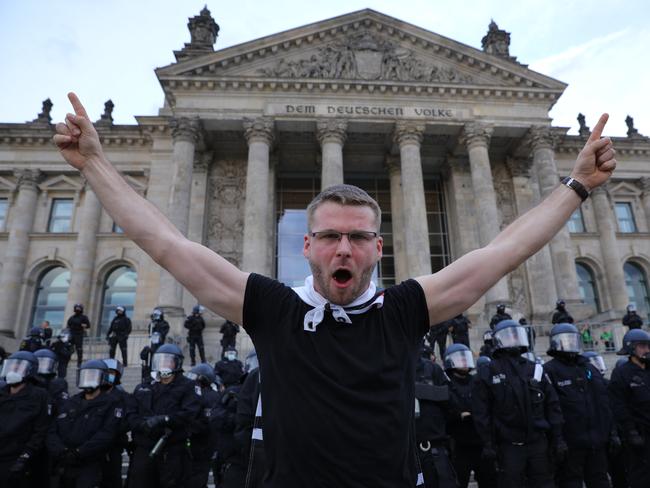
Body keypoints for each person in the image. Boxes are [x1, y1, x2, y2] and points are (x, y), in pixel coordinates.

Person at [53, 94, 616, 488]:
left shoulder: (404, 311)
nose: (342, 248)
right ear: (306, 246)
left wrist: (578, 187)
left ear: (378, 249)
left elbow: (505, 251)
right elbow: (166, 244)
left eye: (357, 237)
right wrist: (96, 165)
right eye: (328, 236)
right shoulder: (274, 311)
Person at [472, 319, 564, 488]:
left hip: (538, 443)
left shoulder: (534, 368)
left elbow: (552, 405)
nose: (513, 339)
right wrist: (488, 443)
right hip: (509, 446)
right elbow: (481, 412)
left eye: (516, 335)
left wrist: (558, 438)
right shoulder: (488, 372)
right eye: (508, 336)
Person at [543, 323, 613, 488]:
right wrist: (557, 439)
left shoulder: (588, 368)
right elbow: (551, 408)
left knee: (600, 481)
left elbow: (603, 403)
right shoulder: (549, 370)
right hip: (570, 443)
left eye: (572, 340)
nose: (569, 344)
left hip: (595, 440)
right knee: (570, 482)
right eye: (565, 340)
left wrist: (611, 432)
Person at [127, 343, 201, 487]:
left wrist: (163, 420)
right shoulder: (144, 386)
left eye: (168, 361)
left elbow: (189, 413)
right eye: (160, 360)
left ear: (177, 363)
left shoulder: (188, 386)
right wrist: (142, 424)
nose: (163, 364)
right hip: (144, 449)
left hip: (171, 450)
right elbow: (131, 413)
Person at [47, 359, 121, 488]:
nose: (88, 379)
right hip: (65, 462)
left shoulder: (112, 403)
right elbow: (53, 430)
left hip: (91, 463)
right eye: (85, 375)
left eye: (93, 375)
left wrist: (79, 452)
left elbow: (106, 434)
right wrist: (62, 451)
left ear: (102, 378)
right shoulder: (70, 402)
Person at [445, 344, 496, 488]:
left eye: (464, 358)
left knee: (489, 480)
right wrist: (458, 415)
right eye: (459, 359)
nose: (463, 362)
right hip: (459, 444)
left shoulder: (477, 381)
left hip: (480, 442)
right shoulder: (447, 383)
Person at [0, 351, 50, 487]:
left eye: (18, 367)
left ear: (30, 371)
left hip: (15, 458)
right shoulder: (2, 392)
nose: (13, 370)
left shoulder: (39, 395)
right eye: (11, 367)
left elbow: (40, 429)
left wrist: (25, 456)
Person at [608, 329, 650, 488]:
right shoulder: (621, 373)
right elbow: (618, 405)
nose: (647, 350)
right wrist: (630, 431)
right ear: (631, 348)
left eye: (648, 346)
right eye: (642, 346)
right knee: (642, 476)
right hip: (639, 435)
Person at [414, 345, 458, 488]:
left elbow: (452, 402)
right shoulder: (391, 370)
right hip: (405, 453)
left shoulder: (432, 369)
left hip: (434, 450)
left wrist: (421, 390)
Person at [100, 358, 134, 488]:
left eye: (112, 373)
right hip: (94, 445)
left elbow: (128, 419)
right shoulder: (95, 393)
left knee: (113, 478)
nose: (109, 375)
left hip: (115, 443)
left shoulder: (123, 396)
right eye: (106, 372)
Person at [186, 363, 221, 488]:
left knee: (199, 475)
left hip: (203, 443)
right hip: (198, 442)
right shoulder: (196, 393)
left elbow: (207, 422)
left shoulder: (210, 396)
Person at [66, 303, 91, 367]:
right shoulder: (72, 317)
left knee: (79, 349)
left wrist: (82, 325)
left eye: (79, 308)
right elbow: (68, 325)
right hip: (72, 334)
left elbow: (88, 325)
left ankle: (79, 363)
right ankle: (66, 360)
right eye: (76, 308)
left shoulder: (84, 317)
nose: (77, 309)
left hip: (79, 334)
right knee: (69, 348)